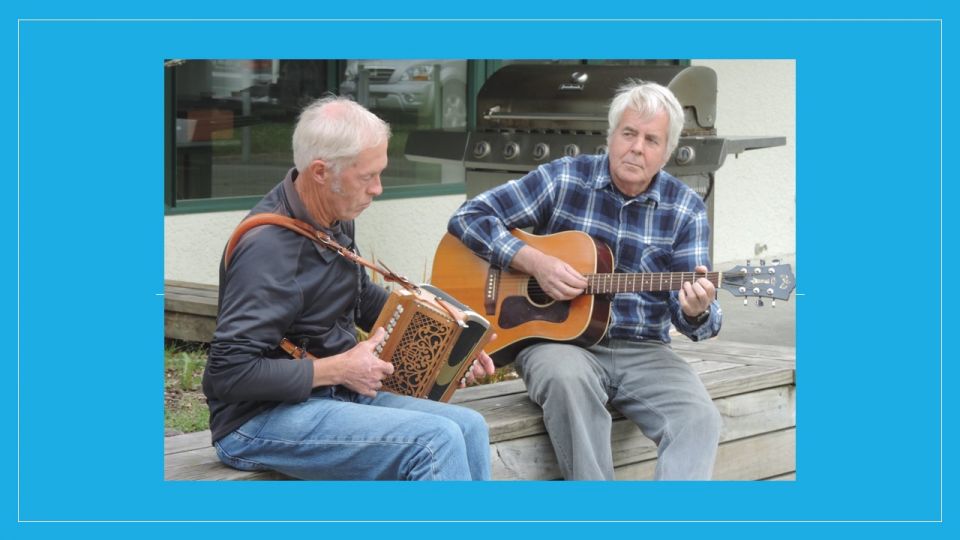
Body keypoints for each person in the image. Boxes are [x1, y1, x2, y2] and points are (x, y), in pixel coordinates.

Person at [203, 96, 495, 480]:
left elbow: (361, 297)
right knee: (434, 441)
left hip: (332, 395)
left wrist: (451, 344)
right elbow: (226, 375)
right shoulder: (268, 250)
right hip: (258, 420)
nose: (378, 189)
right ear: (321, 171)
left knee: (471, 426)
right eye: (367, 177)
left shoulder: (332, 217)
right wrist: (337, 369)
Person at [448, 80, 723, 480]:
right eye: (628, 133)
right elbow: (468, 217)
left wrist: (696, 310)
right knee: (568, 382)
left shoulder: (686, 209)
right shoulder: (564, 178)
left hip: (643, 349)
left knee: (699, 418)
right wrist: (533, 262)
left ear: (666, 152)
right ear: (611, 136)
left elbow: (699, 319)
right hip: (559, 343)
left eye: (651, 140)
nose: (637, 147)